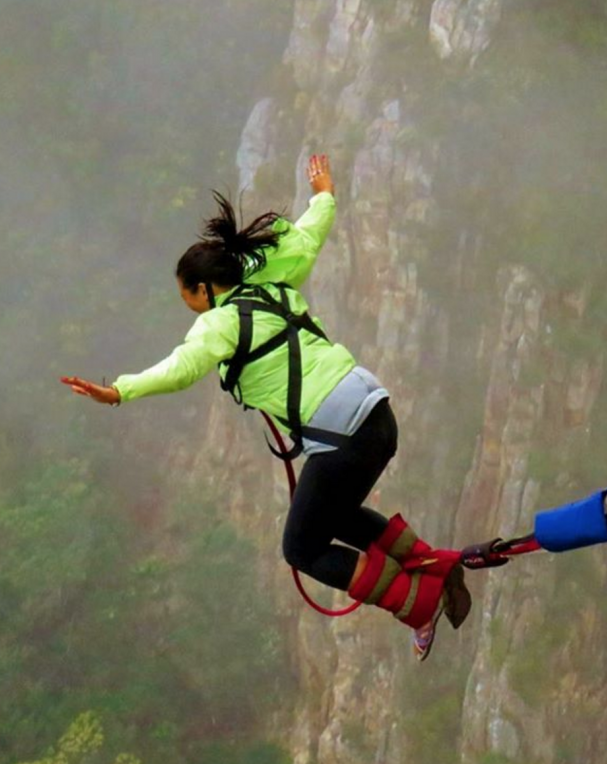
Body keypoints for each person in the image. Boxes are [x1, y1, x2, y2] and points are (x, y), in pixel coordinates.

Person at [61, 154, 471, 661]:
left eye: (186, 295)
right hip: (375, 412)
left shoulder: (219, 323)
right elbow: (307, 236)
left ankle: (418, 602)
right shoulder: (273, 283)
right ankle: (430, 564)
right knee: (335, 517)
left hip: (341, 436)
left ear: (205, 290)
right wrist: (324, 194)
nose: (186, 304)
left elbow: (183, 367)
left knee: (302, 548)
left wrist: (120, 390)